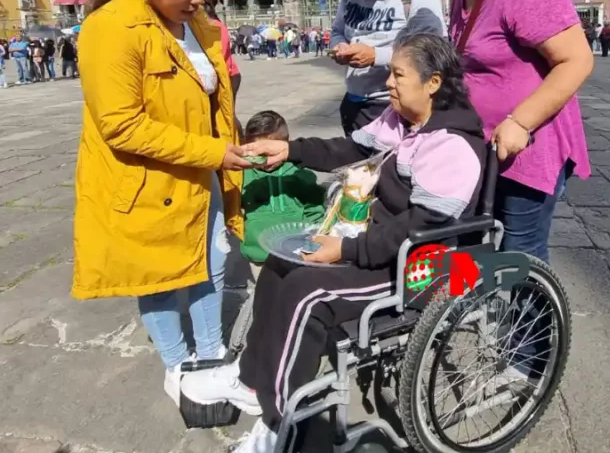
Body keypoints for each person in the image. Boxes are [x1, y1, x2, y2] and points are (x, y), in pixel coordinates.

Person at [181, 33, 486, 453]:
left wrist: (345, 250)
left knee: (309, 294)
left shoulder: (452, 146)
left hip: (420, 266)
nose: (389, 83)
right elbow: (347, 149)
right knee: (281, 262)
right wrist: (287, 150)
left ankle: (279, 422)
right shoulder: (403, 122)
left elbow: (419, 227)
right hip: (376, 245)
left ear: (433, 83)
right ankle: (251, 380)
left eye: (398, 75)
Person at [71, 0, 252, 408]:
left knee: (211, 263)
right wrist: (213, 152)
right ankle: (179, 364)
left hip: (198, 171)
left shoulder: (193, 23)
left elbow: (212, 89)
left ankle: (211, 356)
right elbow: (121, 125)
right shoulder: (111, 28)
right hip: (145, 178)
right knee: (158, 274)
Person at [422, 0, 592, 264]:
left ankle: (531, 324)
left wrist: (520, 121)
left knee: (519, 253)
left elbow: (577, 61)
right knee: (467, 245)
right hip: (480, 147)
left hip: (528, 146)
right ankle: (464, 316)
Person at [329, 0, 446, 136]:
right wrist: (338, 46)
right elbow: (338, 31)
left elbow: (432, 49)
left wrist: (376, 56)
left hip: (394, 106)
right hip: (354, 102)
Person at [239, 111, 326, 264]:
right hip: (258, 254)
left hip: (296, 253)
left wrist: (313, 243)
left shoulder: (299, 173)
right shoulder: (242, 175)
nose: (266, 160)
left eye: (270, 152)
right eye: (259, 154)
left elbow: (315, 209)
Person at [205, 2, 241, 98]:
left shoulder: (217, 26)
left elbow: (222, 51)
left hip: (228, 75)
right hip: (218, 75)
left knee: (226, 111)